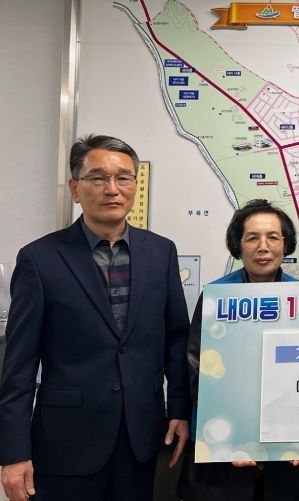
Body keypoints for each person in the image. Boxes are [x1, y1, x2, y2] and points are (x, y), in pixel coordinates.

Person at [0, 135, 191, 501]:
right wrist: (13, 452)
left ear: (135, 184)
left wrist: (180, 410)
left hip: (140, 436)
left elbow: (175, 338)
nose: (112, 189)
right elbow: (19, 364)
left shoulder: (161, 252)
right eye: (98, 178)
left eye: (123, 177)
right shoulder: (40, 259)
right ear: (75, 189)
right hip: (66, 441)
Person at [177, 199, 299, 501]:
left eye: (273, 237)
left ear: (285, 245)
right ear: (238, 245)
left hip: (288, 449)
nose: (263, 247)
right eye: (252, 237)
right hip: (224, 446)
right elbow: (198, 369)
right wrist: (236, 435)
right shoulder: (216, 296)